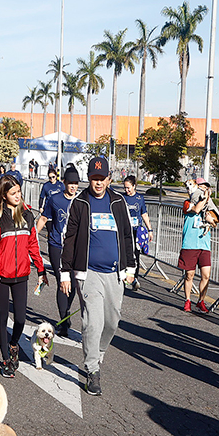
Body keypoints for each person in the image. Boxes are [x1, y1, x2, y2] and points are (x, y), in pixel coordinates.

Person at [59, 155, 135, 396]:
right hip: (88, 273)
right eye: (94, 178)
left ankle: (98, 353)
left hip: (114, 273)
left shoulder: (118, 202)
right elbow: (69, 239)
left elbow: (127, 236)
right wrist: (65, 272)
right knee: (93, 322)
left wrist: (131, 267)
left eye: (102, 178)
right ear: (89, 179)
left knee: (112, 322)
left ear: (109, 179)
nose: (98, 183)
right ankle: (92, 369)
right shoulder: (80, 203)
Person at [0, 175, 46, 378]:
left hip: (21, 274)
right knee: (3, 316)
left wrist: (41, 270)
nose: (18, 196)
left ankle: (13, 344)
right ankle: (5, 360)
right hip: (0, 275)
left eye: (19, 192)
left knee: (20, 318)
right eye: (13, 193)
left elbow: (33, 244)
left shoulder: (27, 215)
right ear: (4, 195)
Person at [36, 165, 81, 338]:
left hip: (75, 248)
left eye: (76, 183)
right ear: (64, 183)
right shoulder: (55, 199)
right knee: (62, 281)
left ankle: (66, 312)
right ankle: (64, 321)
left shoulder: (82, 200)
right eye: (70, 183)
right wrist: (32, 237)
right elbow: (44, 218)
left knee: (73, 284)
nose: (73, 186)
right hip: (57, 246)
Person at [179, 178, 214, 313]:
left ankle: (201, 301)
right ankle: (187, 300)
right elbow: (197, 209)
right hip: (190, 243)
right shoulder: (187, 203)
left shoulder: (209, 205)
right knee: (190, 274)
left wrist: (211, 220)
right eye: (201, 187)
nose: (204, 190)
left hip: (204, 244)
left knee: (206, 275)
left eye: (206, 188)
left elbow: (215, 221)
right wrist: (205, 197)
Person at [120, 176, 152, 291]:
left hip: (136, 231)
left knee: (136, 255)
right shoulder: (122, 198)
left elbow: (144, 214)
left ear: (134, 186)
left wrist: (150, 230)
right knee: (124, 254)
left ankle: (135, 279)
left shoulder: (139, 198)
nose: (127, 190)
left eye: (128, 188)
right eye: (125, 188)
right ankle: (123, 278)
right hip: (125, 231)